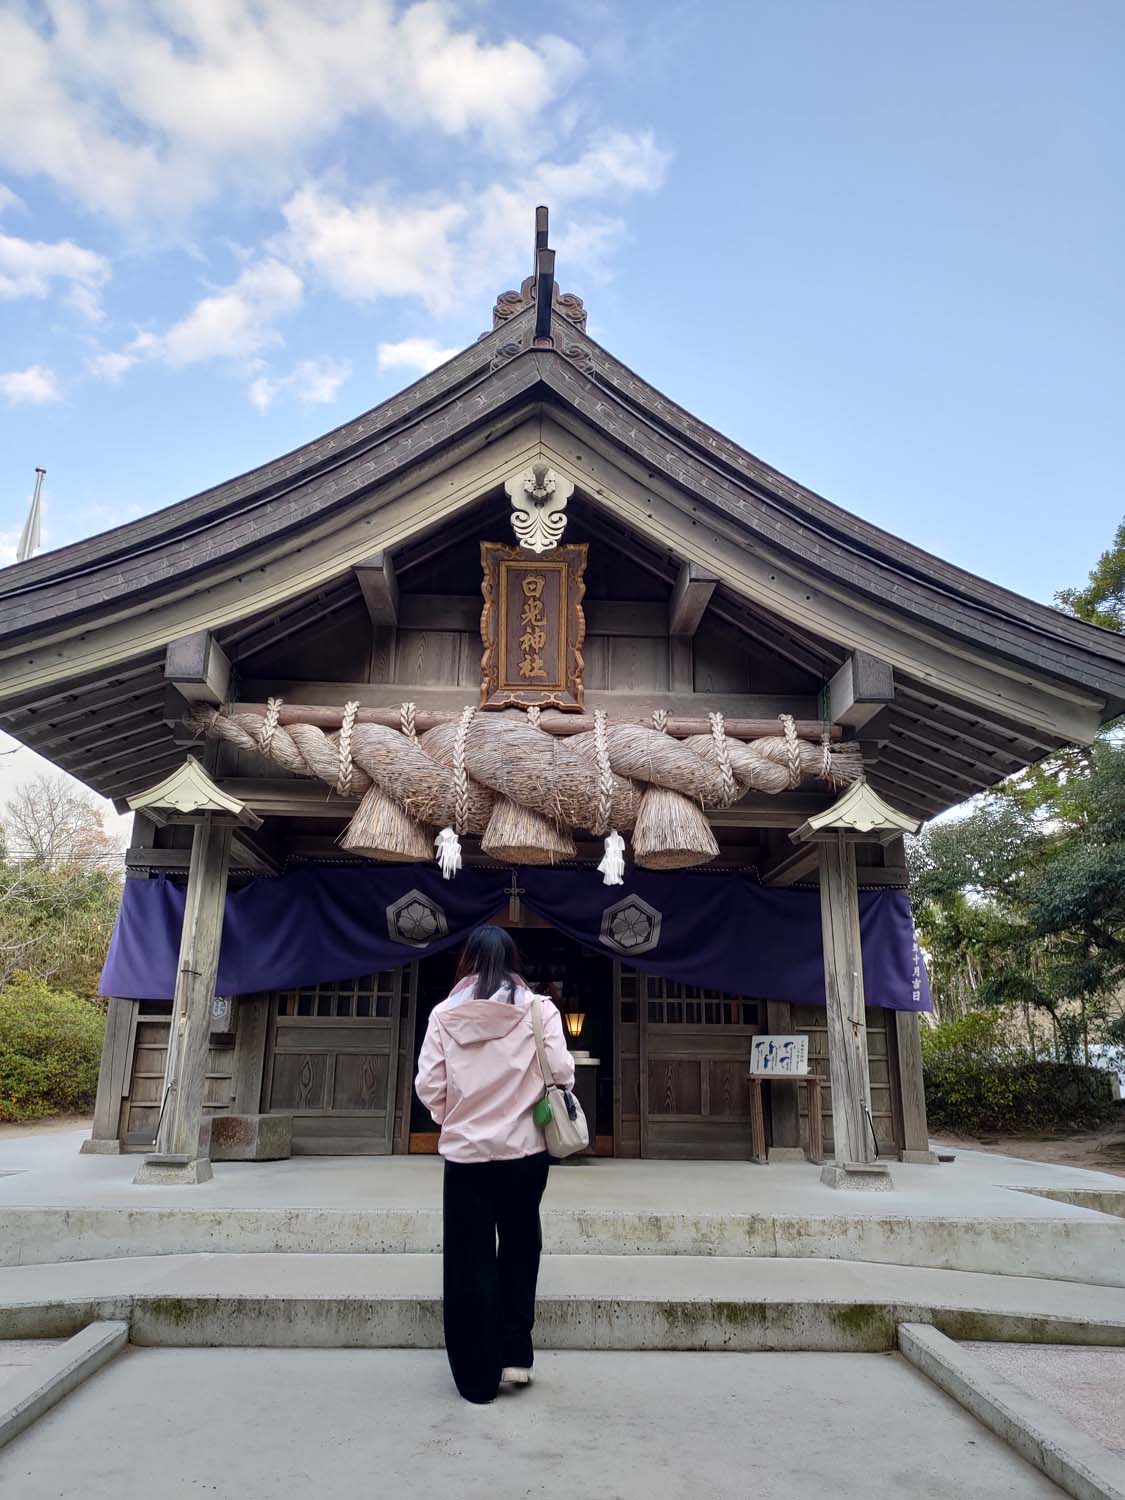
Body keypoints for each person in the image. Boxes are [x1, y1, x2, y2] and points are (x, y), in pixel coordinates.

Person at [415, 925, 575, 1405]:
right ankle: (515, 1356)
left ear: (466, 962)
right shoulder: (538, 1009)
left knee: (469, 1260)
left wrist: (456, 1118)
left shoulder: (444, 1014)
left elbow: (429, 1085)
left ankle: (476, 1377)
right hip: (525, 1152)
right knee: (521, 1248)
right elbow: (562, 1071)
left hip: (466, 1156)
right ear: (513, 962)